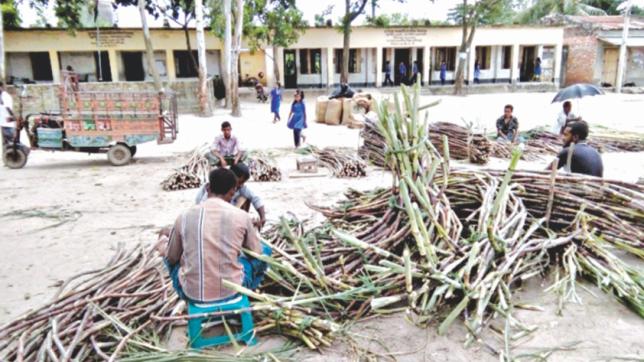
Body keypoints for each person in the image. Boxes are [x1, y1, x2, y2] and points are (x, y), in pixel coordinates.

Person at [159, 168, 271, 303]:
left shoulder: (184, 216)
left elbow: (171, 258)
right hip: (232, 291)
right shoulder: (242, 216)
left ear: (208, 188)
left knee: (168, 257)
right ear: (232, 191)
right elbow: (256, 253)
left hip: (191, 294)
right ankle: (246, 293)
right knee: (265, 251)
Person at [195, 162, 267, 230]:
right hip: (211, 216)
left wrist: (262, 217)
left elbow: (255, 198)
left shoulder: (241, 188)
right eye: (240, 182)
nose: (241, 185)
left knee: (245, 198)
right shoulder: (217, 185)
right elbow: (203, 206)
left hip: (227, 214)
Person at [0, 81, 16, 148]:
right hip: (3, 122)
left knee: (10, 140)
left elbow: (8, 108)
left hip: (7, 122)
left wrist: (12, 117)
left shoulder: (5, 96)